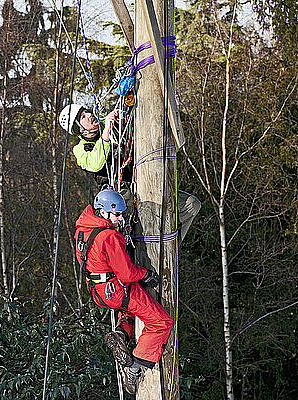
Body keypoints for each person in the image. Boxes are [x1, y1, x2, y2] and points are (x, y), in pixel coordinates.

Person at [74, 187, 173, 394]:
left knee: (128, 310)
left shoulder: (83, 229)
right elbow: (127, 274)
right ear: (103, 212)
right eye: (117, 214)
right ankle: (135, 368)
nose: (120, 219)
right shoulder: (109, 236)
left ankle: (121, 334)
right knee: (161, 322)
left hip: (97, 291)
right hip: (116, 289)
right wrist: (146, 273)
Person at [60, 103, 201, 242]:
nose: (90, 115)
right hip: (120, 192)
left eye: (87, 112)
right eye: (83, 116)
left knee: (192, 205)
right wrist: (107, 132)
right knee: (123, 216)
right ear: (80, 129)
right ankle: (126, 251)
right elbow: (95, 164)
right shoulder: (80, 149)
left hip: (144, 179)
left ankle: (172, 242)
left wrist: (124, 119)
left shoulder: (111, 124)